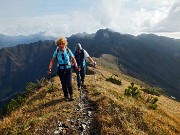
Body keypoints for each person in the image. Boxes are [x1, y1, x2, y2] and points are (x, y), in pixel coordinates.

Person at [48, 37, 78, 101]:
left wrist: (76, 65)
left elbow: (73, 58)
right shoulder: (56, 51)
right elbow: (52, 60)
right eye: (59, 44)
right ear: (58, 45)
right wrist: (50, 68)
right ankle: (66, 96)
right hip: (60, 69)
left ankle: (71, 95)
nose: (61, 45)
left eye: (62, 43)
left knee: (69, 83)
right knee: (63, 83)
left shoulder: (68, 50)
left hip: (68, 69)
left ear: (65, 44)